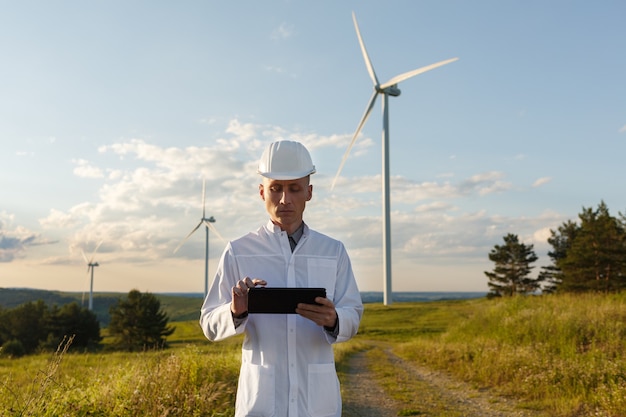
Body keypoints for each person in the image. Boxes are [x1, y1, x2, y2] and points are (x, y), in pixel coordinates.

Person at [199, 140, 363, 417]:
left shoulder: (333, 251)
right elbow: (209, 324)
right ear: (262, 192)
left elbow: (354, 313)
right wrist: (235, 311)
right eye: (276, 188)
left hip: (317, 402)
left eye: (294, 189)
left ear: (309, 192)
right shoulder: (238, 251)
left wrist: (335, 320)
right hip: (260, 401)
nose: (285, 199)